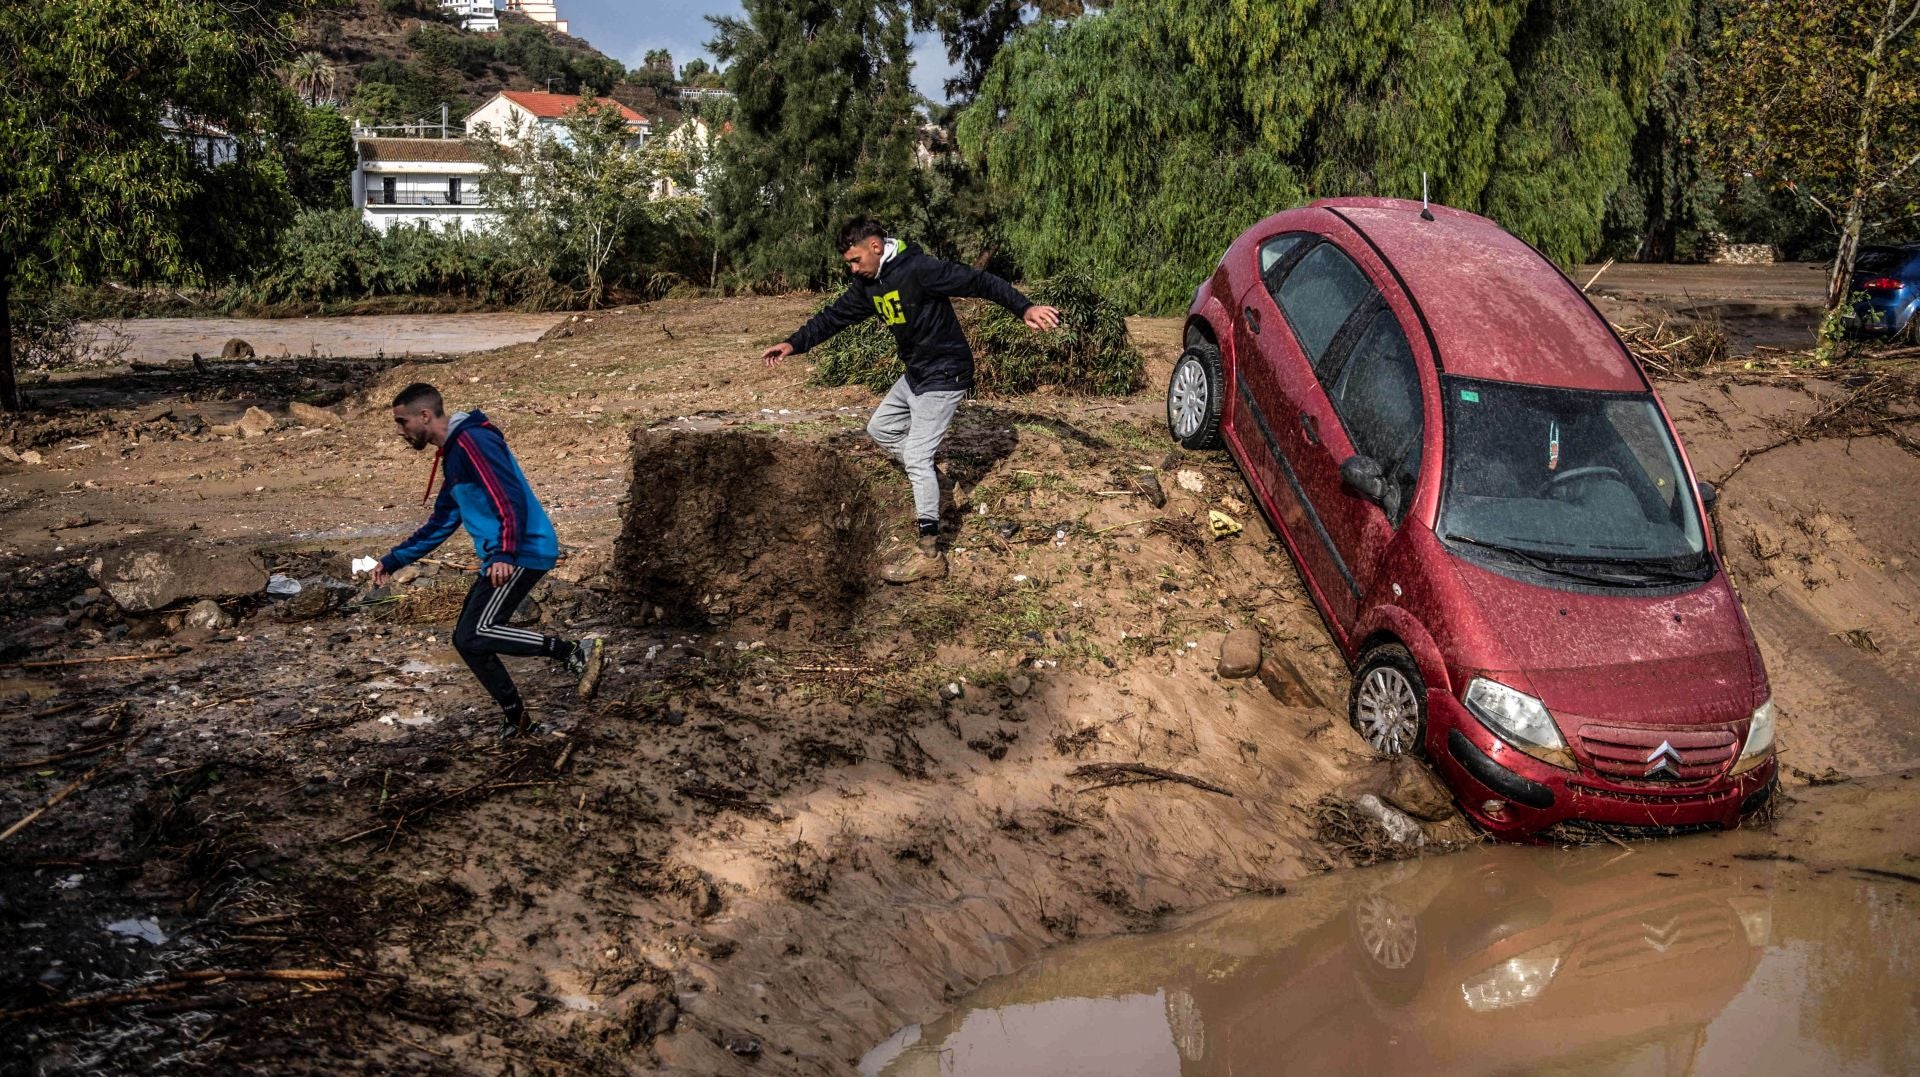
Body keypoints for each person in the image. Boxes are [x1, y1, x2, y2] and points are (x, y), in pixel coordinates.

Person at [761, 217, 1061, 583]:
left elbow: (979, 281)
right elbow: (833, 317)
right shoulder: (868, 284)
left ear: (875, 246)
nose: (853, 269)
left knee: (917, 455)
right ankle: (943, 486)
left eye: (856, 260)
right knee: (880, 427)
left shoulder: (920, 269)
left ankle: (930, 553)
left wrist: (1024, 308)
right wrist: (794, 343)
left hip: (947, 372)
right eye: (849, 264)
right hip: (917, 372)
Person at [370, 382, 604, 737]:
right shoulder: (455, 454)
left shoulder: (474, 441)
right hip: (505, 554)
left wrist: (505, 552)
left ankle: (571, 649)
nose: (399, 431)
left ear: (424, 416)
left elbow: (509, 497)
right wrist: (393, 560)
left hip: (522, 551)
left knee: (477, 631)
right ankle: (518, 719)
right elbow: (443, 521)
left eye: (402, 422)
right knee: (468, 640)